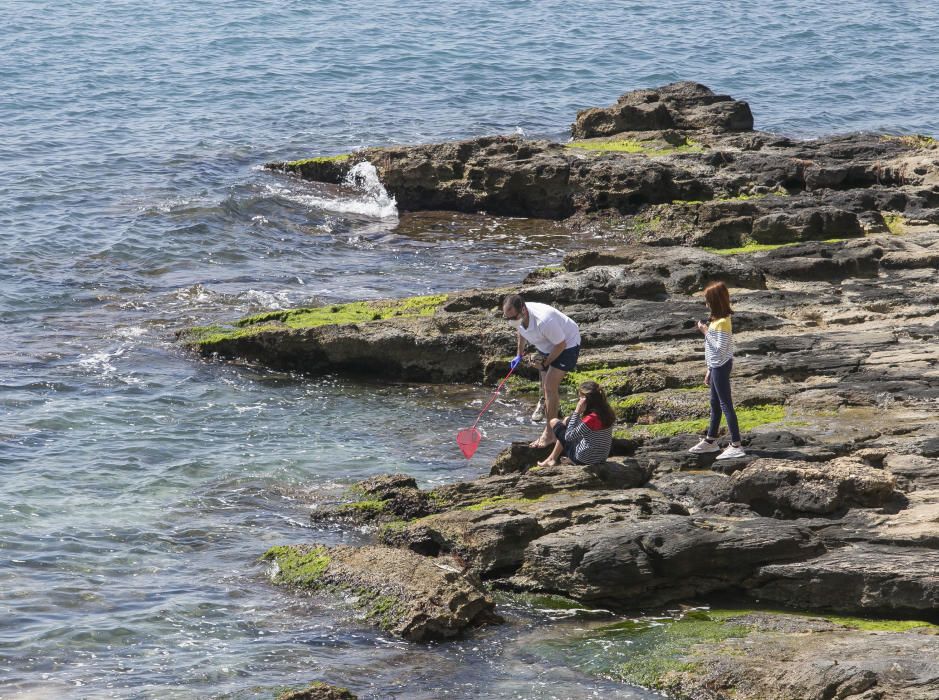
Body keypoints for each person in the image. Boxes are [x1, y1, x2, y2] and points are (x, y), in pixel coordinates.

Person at [503, 294, 581, 447]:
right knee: (545, 389)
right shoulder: (518, 317)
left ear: (523, 310)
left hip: (567, 345)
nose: (510, 321)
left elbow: (561, 345)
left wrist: (546, 363)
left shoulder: (544, 321)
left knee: (550, 388)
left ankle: (550, 434)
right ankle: (552, 420)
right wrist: (519, 354)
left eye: (513, 318)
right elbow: (521, 330)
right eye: (507, 318)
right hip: (547, 344)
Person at [688, 281, 746, 459]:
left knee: (725, 404)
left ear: (714, 301)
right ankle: (710, 441)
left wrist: (705, 332)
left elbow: (719, 348)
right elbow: (713, 350)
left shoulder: (721, 323)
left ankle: (736, 444)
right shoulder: (718, 320)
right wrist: (709, 369)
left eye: (707, 300)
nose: (705, 303)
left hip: (721, 366)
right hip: (716, 366)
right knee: (715, 404)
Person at [537, 380, 615, 467]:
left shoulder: (591, 419)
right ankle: (552, 458)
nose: (579, 401)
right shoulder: (607, 412)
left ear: (586, 400)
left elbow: (568, 436)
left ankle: (554, 459)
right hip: (601, 457)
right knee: (567, 419)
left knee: (553, 422)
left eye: (580, 398)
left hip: (584, 459)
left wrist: (577, 411)